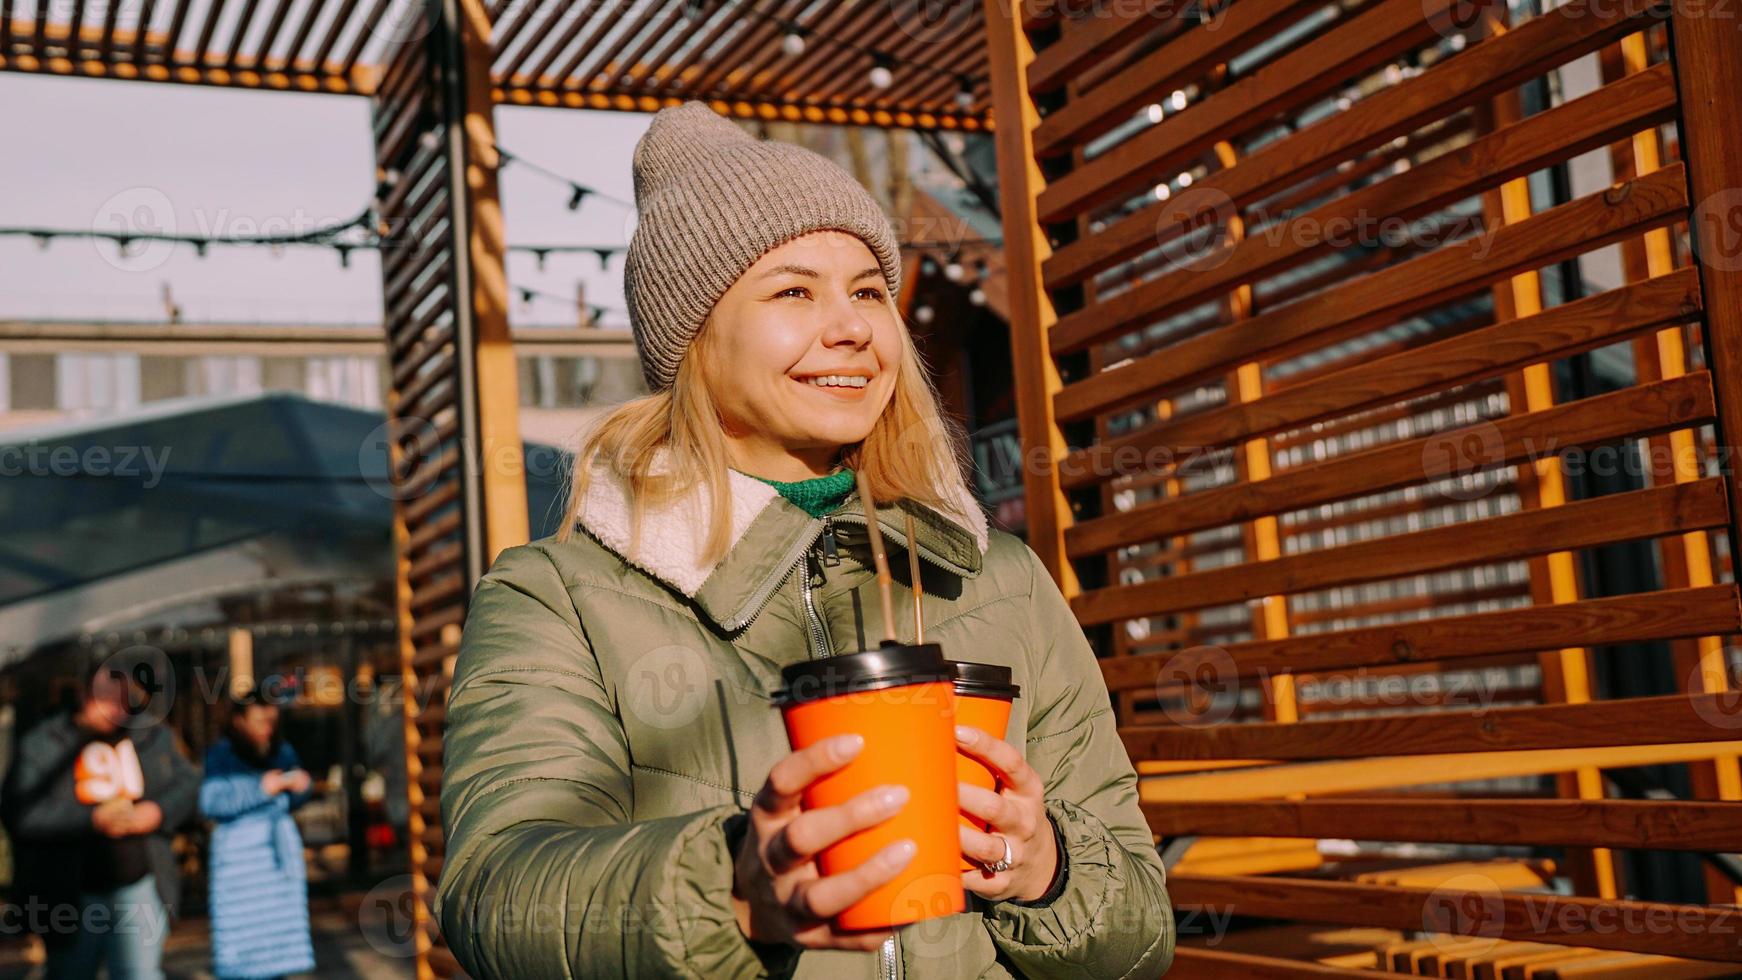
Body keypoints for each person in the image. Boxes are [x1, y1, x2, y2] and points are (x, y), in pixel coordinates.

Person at [435, 100, 1175, 979]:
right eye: (793, 290)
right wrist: (737, 890)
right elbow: (494, 897)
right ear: (695, 336)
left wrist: (1044, 867)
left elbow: (1143, 936)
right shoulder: (558, 596)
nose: (856, 326)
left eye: (868, 289)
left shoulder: (996, 578)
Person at [2, 656, 199, 979]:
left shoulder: (149, 735)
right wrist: (91, 819)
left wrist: (158, 812)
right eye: (106, 699)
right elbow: (21, 814)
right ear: (84, 694)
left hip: (138, 884)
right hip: (72, 894)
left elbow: (188, 783)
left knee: (139, 974)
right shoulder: (45, 744)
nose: (116, 709)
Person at [198, 686, 318, 979]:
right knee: (243, 942)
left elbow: (293, 797)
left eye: (271, 722)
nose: (267, 728)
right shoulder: (220, 755)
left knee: (277, 942)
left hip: (277, 858)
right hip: (240, 862)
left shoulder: (283, 750)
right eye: (259, 721)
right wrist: (262, 789)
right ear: (239, 720)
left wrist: (302, 787)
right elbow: (211, 801)